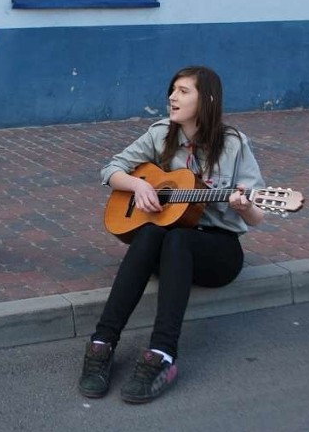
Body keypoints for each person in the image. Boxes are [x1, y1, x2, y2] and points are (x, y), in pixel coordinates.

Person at [78, 65, 266, 404]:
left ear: (206, 99)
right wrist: (137, 185)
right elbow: (110, 170)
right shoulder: (160, 133)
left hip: (217, 251)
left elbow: (257, 217)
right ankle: (101, 343)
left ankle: (162, 355)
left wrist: (243, 206)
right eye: (172, 89)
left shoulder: (234, 144)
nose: (172, 97)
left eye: (183, 91)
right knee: (152, 233)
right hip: (167, 249)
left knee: (177, 238)